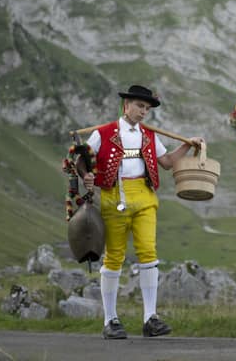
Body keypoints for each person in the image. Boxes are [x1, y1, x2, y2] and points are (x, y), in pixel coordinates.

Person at [78, 84, 204, 340]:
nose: (144, 112)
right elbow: (80, 159)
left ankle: (150, 318)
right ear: (126, 105)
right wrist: (86, 175)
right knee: (114, 257)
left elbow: (167, 162)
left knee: (149, 253)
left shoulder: (150, 135)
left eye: (147, 108)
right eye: (139, 106)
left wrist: (188, 146)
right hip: (114, 196)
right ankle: (110, 319)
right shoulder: (102, 133)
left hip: (145, 196)